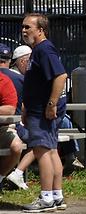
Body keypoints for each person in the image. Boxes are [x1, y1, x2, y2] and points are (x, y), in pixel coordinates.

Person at [20, 13, 68, 212]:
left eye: (28, 27)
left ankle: (46, 198)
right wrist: (26, 106)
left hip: (42, 112)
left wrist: (51, 104)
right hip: (37, 109)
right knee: (51, 150)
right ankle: (57, 196)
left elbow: (60, 76)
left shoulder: (44, 49)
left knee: (42, 152)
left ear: (41, 30)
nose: (24, 31)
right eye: (23, 27)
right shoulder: (39, 49)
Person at [0, 44, 24, 192]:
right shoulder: (19, 78)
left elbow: (10, 108)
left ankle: (0, 177)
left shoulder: (5, 81)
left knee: (17, 146)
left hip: (3, 128)